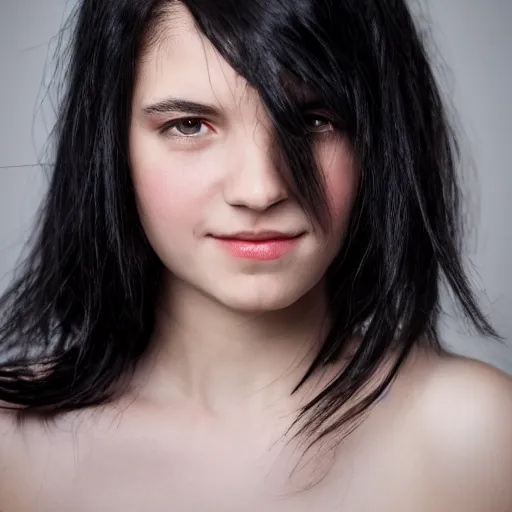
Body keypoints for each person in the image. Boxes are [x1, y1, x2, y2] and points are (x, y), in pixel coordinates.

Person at [0, 0, 511, 510]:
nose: (260, 189)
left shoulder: (480, 437)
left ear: (377, 141)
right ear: (111, 144)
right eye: (189, 125)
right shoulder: (12, 447)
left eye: (314, 119)